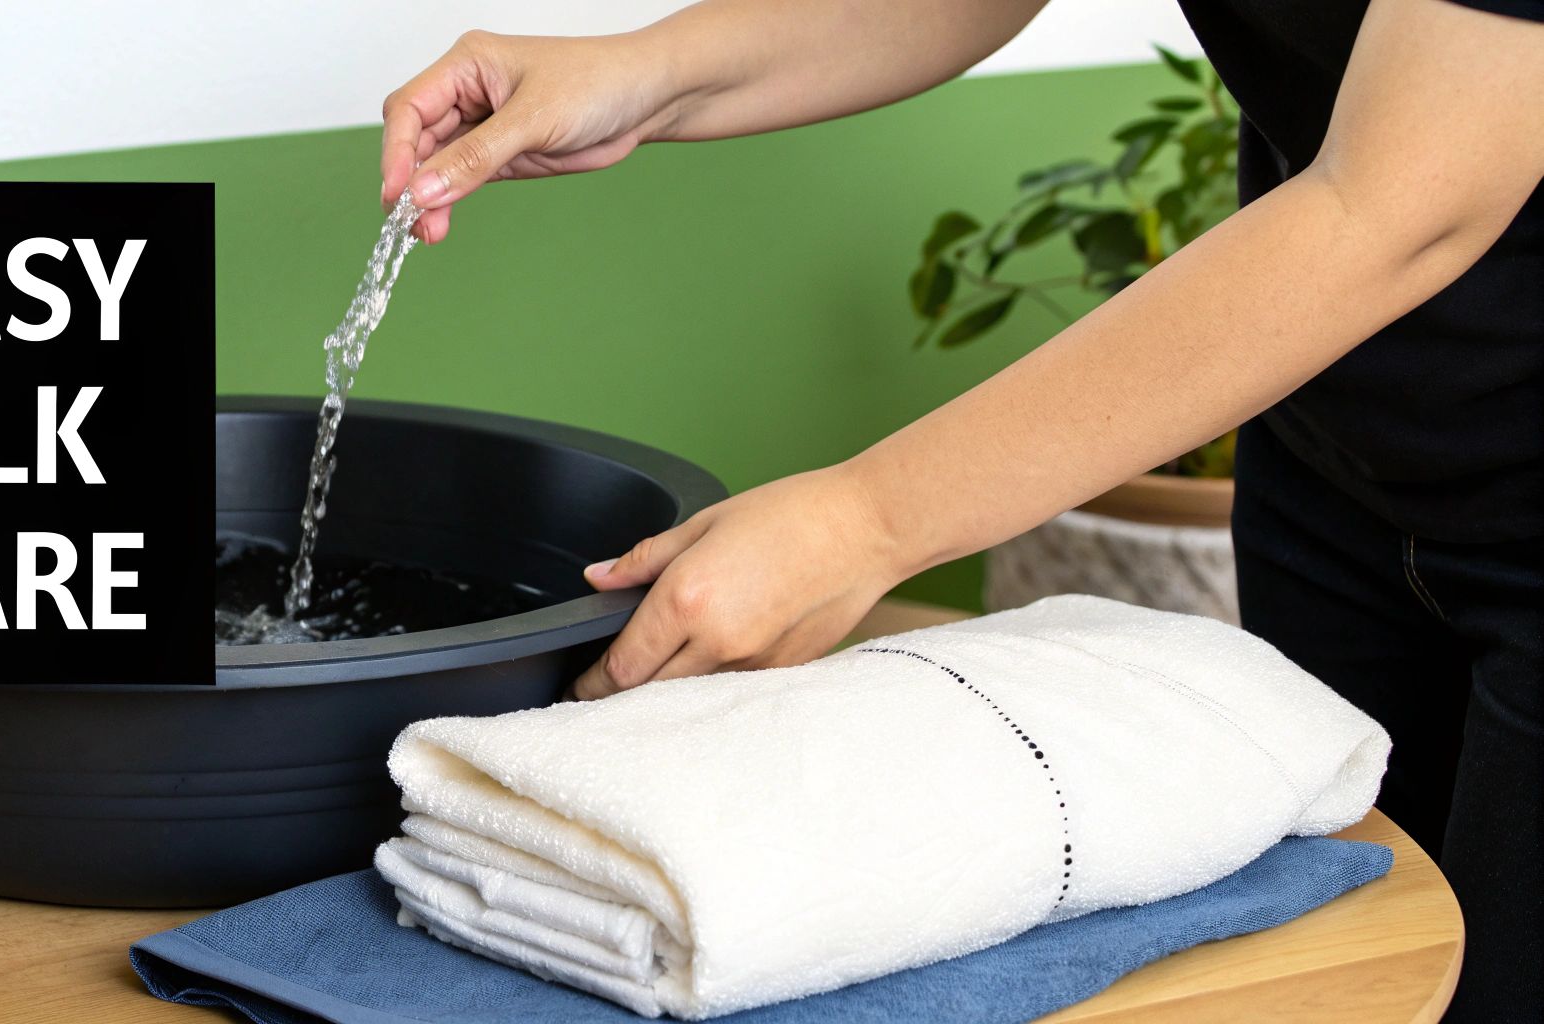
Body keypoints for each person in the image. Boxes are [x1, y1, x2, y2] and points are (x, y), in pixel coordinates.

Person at [377, 1, 1541, 1019]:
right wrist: (653, 69)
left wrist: (862, 519)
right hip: (1343, 457)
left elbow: (1407, 199)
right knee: (1333, 976)